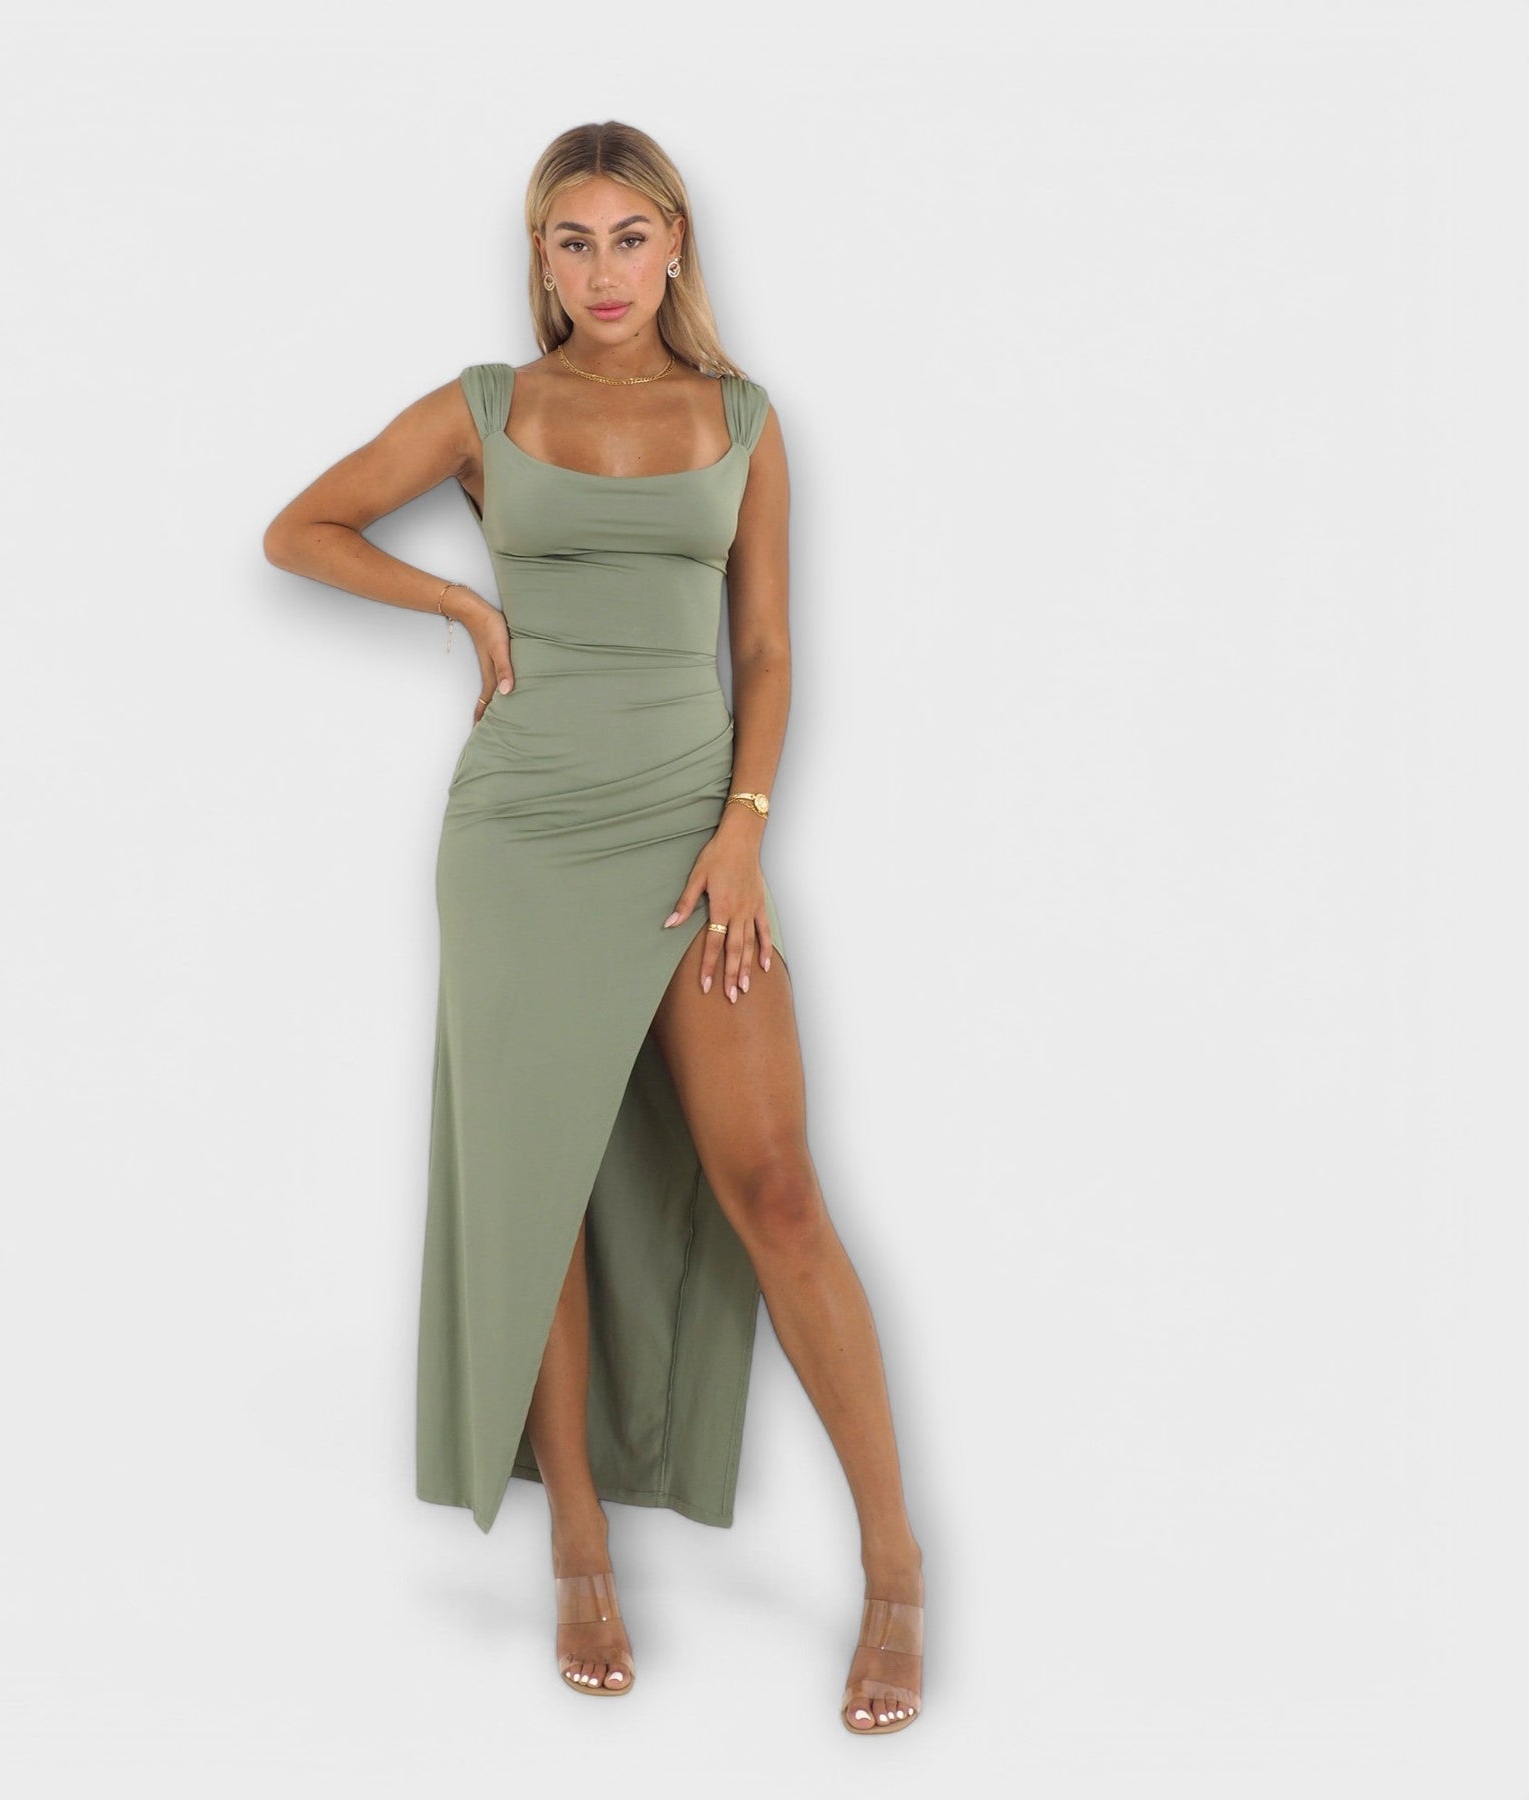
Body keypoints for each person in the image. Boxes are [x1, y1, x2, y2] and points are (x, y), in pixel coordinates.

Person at [263, 120, 926, 1735]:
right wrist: (459, 602)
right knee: (540, 1186)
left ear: (677, 245)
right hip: (522, 834)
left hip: (695, 831)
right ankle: (576, 1545)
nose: (604, 270)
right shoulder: (488, 407)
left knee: (775, 1187)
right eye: (574, 240)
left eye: (631, 237)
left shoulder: (743, 419)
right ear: (541, 256)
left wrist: (745, 828)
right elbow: (301, 527)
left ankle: (897, 1566)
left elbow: (765, 653)